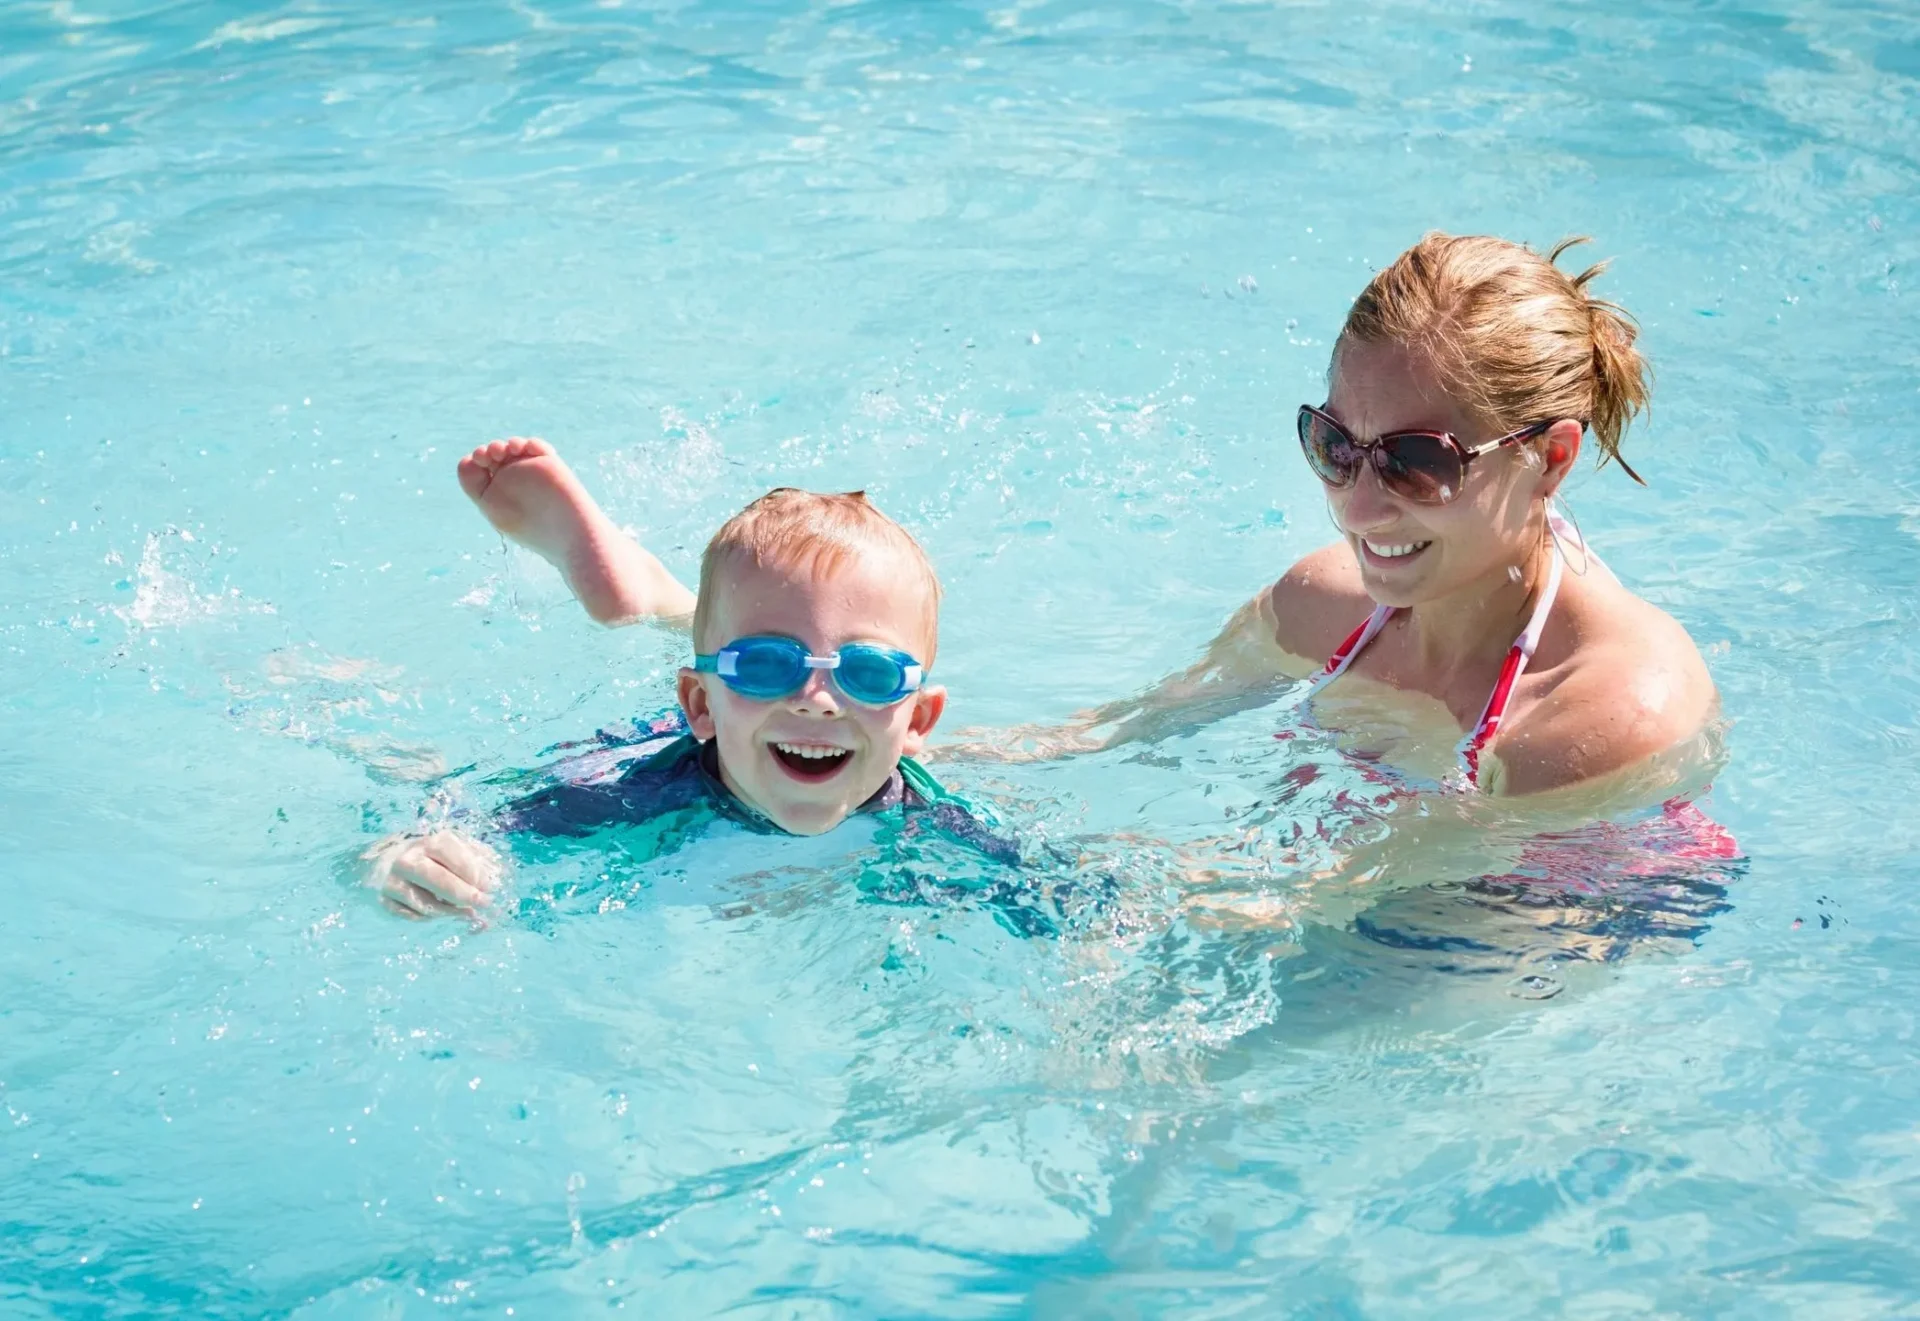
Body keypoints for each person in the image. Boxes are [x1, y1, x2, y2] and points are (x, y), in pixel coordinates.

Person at [969, 233, 1722, 799]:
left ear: (1551, 459)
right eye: (1335, 445)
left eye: (1420, 461)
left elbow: (1433, 897)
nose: (1356, 508)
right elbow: (1118, 731)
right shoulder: (1320, 605)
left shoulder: (1604, 714)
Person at [365, 449, 1005, 919]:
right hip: (664, 736)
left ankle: (655, 600)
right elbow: (451, 820)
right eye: (767, 667)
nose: (815, 700)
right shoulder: (634, 792)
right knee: (703, 634)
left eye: (869, 672)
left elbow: (1077, 901)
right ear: (699, 704)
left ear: (920, 718)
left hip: (804, 729)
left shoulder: (937, 818)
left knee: (1002, 747)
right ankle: (636, 595)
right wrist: (401, 859)